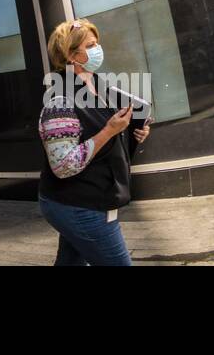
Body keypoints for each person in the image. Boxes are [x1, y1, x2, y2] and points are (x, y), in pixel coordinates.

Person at [37, 19, 151, 266]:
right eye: (90, 45)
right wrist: (110, 130)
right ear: (70, 54)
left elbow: (100, 126)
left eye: (97, 43)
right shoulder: (59, 100)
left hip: (93, 196)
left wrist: (131, 132)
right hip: (79, 205)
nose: (97, 49)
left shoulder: (97, 83)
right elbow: (64, 164)